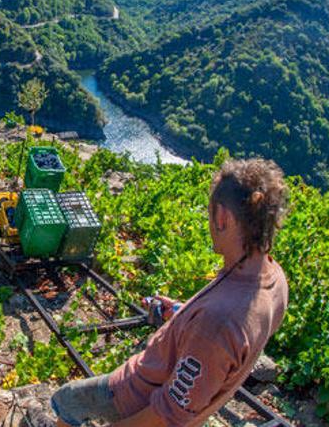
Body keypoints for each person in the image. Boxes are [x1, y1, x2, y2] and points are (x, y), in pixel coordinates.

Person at [51, 158, 290, 427]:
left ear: (222, 217)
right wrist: (181, 314)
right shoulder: (273, 279)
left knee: (66, 400)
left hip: (134, 392)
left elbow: (167, 415)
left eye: (210, 213)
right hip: (176, 383)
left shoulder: (217, 322)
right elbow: (224, 347)